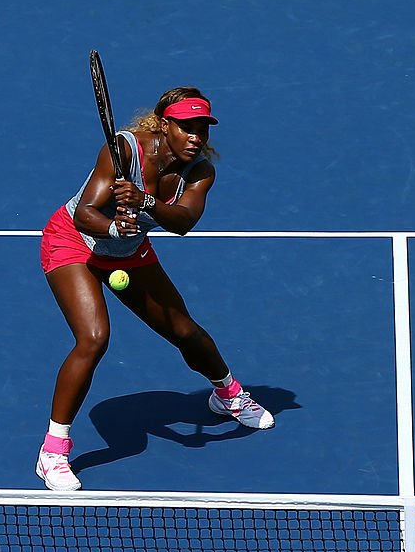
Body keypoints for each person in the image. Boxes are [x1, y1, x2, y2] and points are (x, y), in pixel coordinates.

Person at [37, 87, 274, 491]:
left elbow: (183, 222)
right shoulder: (124, 150)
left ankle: (228, 394)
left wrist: (144, 202)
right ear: (165, 126)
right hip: (74, 243)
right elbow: (84, 215)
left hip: (129, 251)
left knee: (184, 331)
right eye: (186, 127)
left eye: (202, 128)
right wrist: (113, 226)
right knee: (94, 338)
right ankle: (53, 452)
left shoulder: (200, 171)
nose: (196, 136)